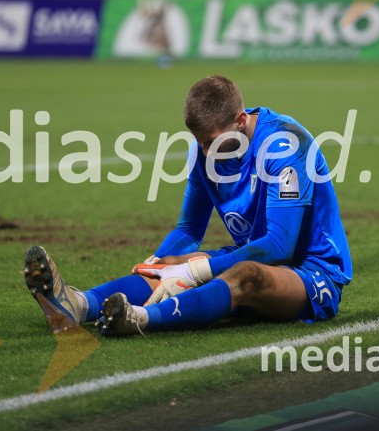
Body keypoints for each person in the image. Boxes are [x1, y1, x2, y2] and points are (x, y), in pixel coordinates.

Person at [24, 76, 352, 336]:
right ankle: (78, 306)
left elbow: (281, 247)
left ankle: (139, 318)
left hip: (310, 274)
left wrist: (195, 270)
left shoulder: (285, 145)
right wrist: (156, 263)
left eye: (211, 141)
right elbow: (189, 229)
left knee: (243, 273)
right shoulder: (205, 151)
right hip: (253, 251)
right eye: (199, 142)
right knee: (174, 262)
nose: (205, 152)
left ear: (240, 120)